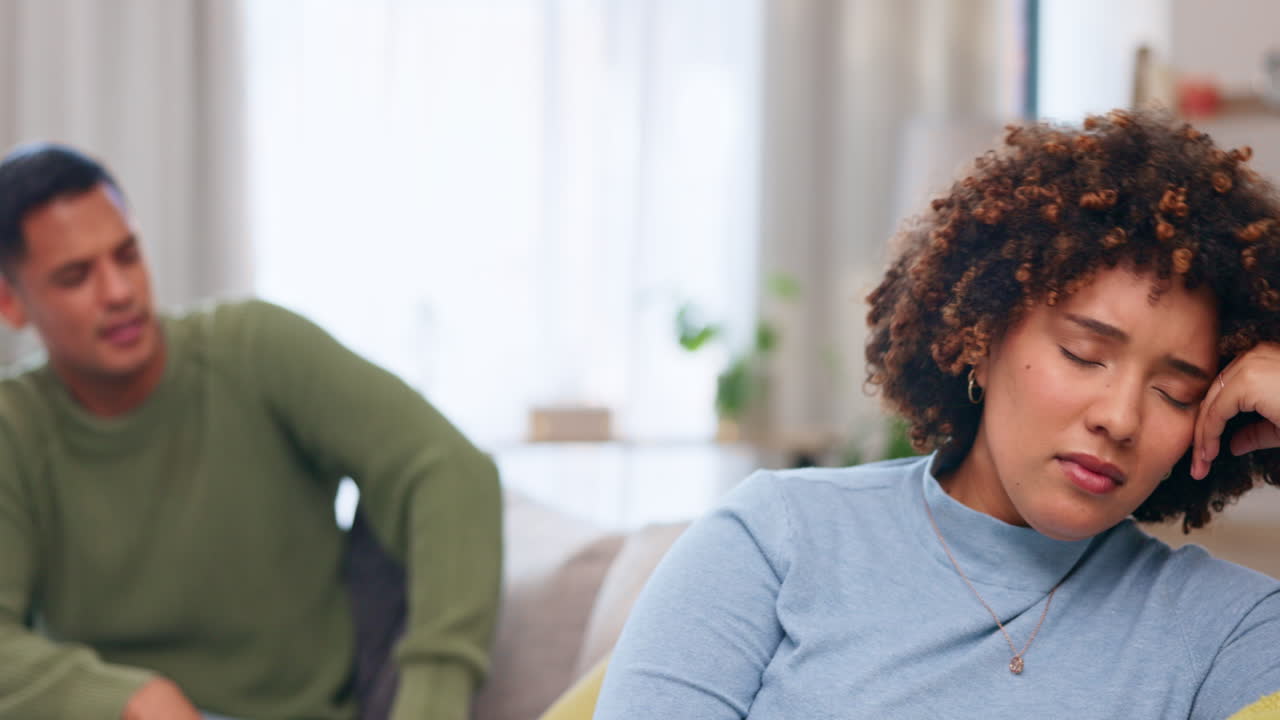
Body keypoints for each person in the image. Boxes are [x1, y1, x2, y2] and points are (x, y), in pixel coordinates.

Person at [593, 110, 1280, 718]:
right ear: (981, 337)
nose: (1120, 418)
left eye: (1176, 393)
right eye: (1082, 353)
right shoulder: (779, 537)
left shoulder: (1228, 627)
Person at [0, 143, 502, 720]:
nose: (118, 292)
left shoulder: (256, 350)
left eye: (128, 254)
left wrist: (433, 699)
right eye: (75, 276)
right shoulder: (14, 429)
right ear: (11, 303)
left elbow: (449, 469)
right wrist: (130, 698)